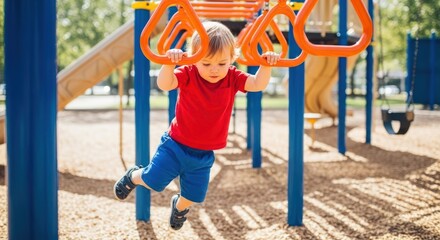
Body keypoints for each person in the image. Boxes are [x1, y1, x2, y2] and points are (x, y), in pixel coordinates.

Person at [114, 21, 280, 230]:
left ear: (232, 59)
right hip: (175, 145)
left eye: (222, 63)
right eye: (206, 63)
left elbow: (257, 84)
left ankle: (179, 206)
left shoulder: (232, 77)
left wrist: (266, 64)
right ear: (194, 57)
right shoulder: (189, 73)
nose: (214, 70)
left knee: (193, 196)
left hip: (203, 154)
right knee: (154, 180)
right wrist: (169, 62)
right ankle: (134, 176)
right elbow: (165, 84)